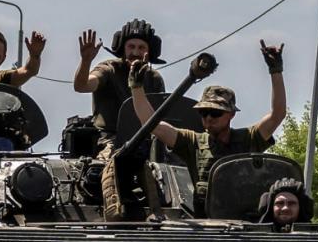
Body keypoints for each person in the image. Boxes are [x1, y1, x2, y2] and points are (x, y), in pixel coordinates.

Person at [129, 40, 287, 216]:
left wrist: (275, 71)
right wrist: (137, 87)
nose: (209, 118)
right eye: (204, 112)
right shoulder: (193, 142)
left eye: (215, 113)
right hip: (206, 226)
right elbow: (152, 124)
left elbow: (277, 115)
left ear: (231, 114)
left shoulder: (249, 139)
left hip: (245, 225)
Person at [74, 19, 166, 219]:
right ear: (123, 48)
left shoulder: (154, 78)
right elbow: (82, 85)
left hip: (145, 141)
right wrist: (86, 61)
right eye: (131, 46)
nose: (135, 51)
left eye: (141, 47)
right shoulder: (110, 69)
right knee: (102, 172)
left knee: (164, 174)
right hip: (110, 139)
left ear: (149, 52)